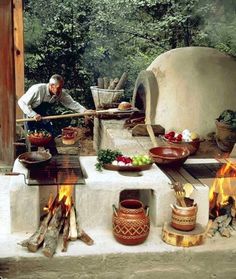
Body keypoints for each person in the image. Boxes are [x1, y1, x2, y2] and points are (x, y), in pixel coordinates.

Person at [18, 74, 93, 136]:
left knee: (50, 134)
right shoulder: (38, 89)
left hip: (43, 115)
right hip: (30, 115)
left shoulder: (60, 93)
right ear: (51, 86)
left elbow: (71, 103)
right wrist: (33, 114)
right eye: (58, 88)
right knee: (32, 137)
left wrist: (84, 111)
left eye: (61, 88)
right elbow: (22, 102)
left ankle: (53, 152)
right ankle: (32, 152)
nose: (60, 90)